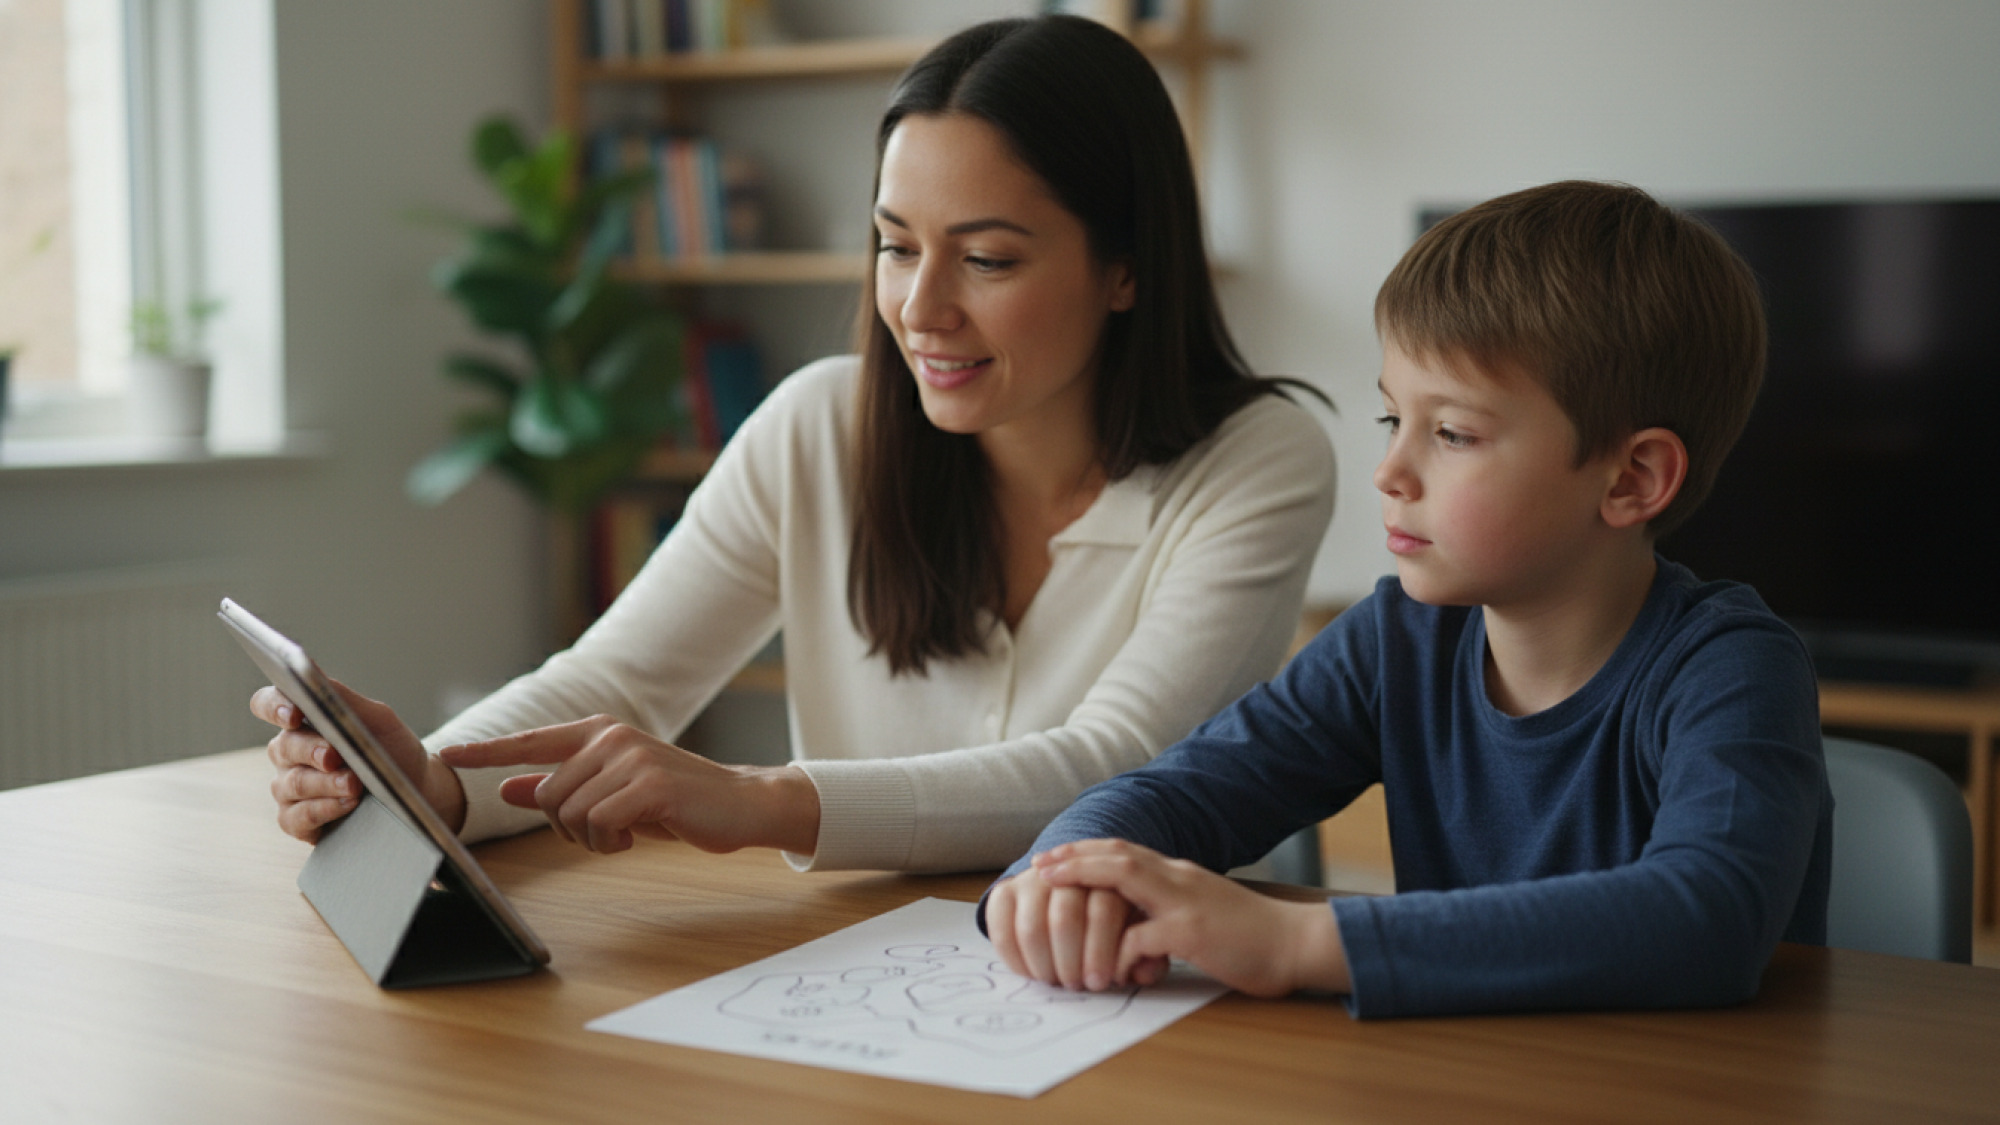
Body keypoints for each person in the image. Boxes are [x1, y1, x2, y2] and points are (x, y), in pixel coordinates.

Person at [254, 15, 1335, 874]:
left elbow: (1116, 773)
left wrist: (762, 800)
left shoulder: (1256, 461)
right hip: (849, 982)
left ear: (1126, 267)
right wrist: (429, 784)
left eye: (989, 259)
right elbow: (618, 681)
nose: (921, 308)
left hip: (1143, 994)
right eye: (894, 246)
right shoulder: (820, 425)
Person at [982, 180, 1834, 1018]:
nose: (1390, 473)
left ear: (1632, 478)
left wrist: (1298, 943)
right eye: (1394, 420)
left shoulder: (1733, 669)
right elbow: (1183, 791)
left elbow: (1707, 917)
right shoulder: (1396, 640)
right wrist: (1057, 879)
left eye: (1453, 433)